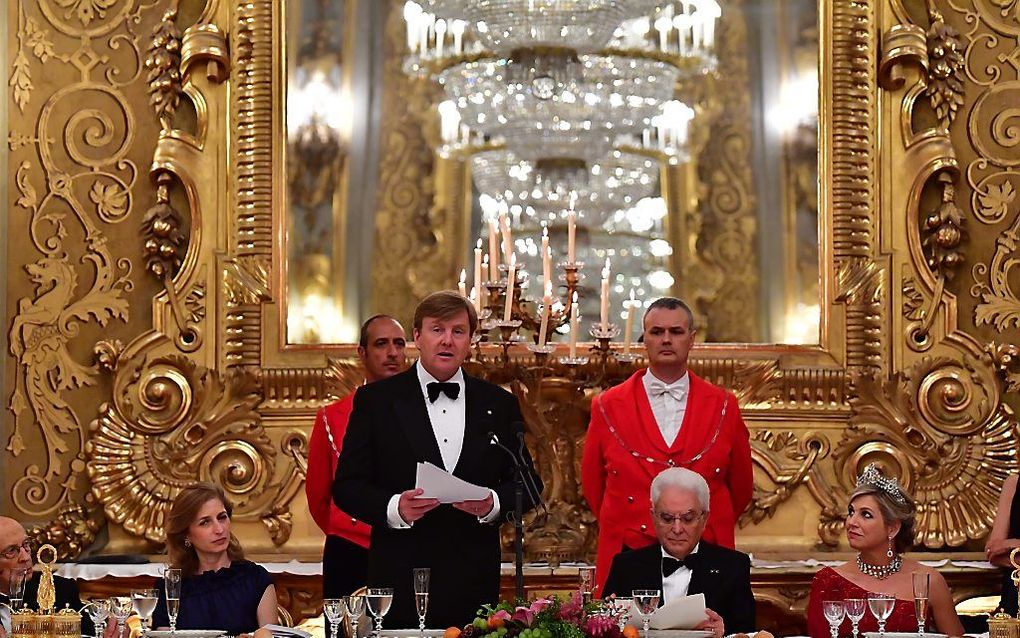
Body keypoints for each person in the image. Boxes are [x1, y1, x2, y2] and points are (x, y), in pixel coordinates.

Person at [334, 290, 543, 629]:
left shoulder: (498, 403)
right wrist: (394, 507)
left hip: (474, 583)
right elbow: (346, 486)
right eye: (437, 330)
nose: (447, 341)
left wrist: (492, 503)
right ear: (417, 336)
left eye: (458, 331)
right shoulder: (376, 401)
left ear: (470, 340)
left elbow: (530, 484)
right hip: (399, 577)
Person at [582, 297, 753, 593]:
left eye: (676, 331)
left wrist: (692, 525)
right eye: (656, 331)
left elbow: (741, 487)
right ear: (644, 340)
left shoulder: (724, 404)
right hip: (628, 554)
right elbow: (592, 485)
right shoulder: (607, 405)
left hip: (708, 555)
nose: (666, 339)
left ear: (691, 339)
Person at [306, 315, 406, 638]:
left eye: (399, 343)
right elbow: (319, 496)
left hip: (407, 545)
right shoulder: (331, 417)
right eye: (381, 344)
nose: (392, 352)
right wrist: (350, 528)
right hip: (348, 550)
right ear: (361, 353)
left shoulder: (424, 413)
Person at [806, 464, 964, 638]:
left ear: (892, 528)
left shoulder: (929, 582)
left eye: (866, 514)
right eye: (851, 512)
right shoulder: (828, 581)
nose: (851, 522)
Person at [601, 468, 755, 637]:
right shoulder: (626, 566)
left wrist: (725, 633)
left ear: (704, 519)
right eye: (667, 518)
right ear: (653, 517)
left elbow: (748, 632)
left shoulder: (733, 566)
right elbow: (602, 629)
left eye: (688, 519)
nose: (677, 529)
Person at [151, 483, 278, 638]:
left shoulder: (255, 579)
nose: (219, 529)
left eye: (222, 517)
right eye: (205, 522)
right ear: (186, 534)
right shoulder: (171, 588)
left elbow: (268, 635)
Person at [0, 517, 114, 638]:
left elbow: (91, 634)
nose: (26, 557)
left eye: (26, 545)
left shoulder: (59, 590)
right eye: (11, 551)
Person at [986, 474, 1020, 615]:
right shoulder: (1014, 483)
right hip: (1012, 600)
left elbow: (1006, 552)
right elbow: (993, 551)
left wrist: (1013, 544)